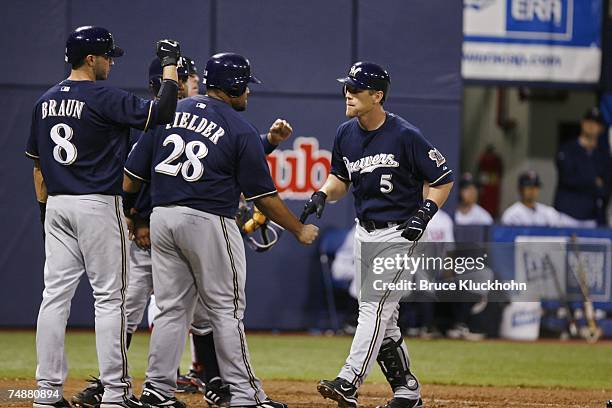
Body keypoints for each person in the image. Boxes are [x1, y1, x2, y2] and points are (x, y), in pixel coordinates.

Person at [123, 52, 318, 408]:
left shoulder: (169, 114)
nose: (248, 93)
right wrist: (297, 229)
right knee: (226, 310)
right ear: (234, 86)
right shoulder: (239, 127)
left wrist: (133, 216)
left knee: (170, 310)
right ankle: (247, 395)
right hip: (209, 220)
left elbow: (132, 176)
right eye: (246, 86)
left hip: (163, 219)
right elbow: (265, 198)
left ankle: (156, 390)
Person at [25, 25, 180, 408]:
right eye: (108, 56)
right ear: (91, 59)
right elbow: (163, 111)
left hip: (58, 203)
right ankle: (115, 392)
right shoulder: (103, 95)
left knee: (54, 298)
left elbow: (38, 169)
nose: (111, 63)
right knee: (110, 299)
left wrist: (45, 214)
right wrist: (171, 66)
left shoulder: (45, 101)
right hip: (96, 203)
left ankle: (45, 392)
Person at [302, 61, 454, 408]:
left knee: (374, 307)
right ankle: (407, 391)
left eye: (356, 90)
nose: (348, 95)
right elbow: (342, 179)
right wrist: (323, 193)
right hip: (364, 233)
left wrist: (425, 213)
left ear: (377, 95)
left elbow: (442, 179)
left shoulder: (405, 135)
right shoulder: (345, 133)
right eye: (347, 88)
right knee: (384, 319)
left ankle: (348, 380)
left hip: (400, 233)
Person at [554, 107, 610, 227]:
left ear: (601, 128)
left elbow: (605, 187)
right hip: (567, 215)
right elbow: (568, 178)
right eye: (588, 121)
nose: (591, 125)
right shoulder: (568, 149)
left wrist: (585, 178)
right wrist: (594, 181)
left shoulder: (603, 155)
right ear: (582, 123)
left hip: (592, 217)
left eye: (595, 123)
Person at [502, 170, 572, 227]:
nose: (532, 190)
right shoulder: (512, 214)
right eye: (528, 186)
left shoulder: (548, 212)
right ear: (520, 189)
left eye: (535, 186)